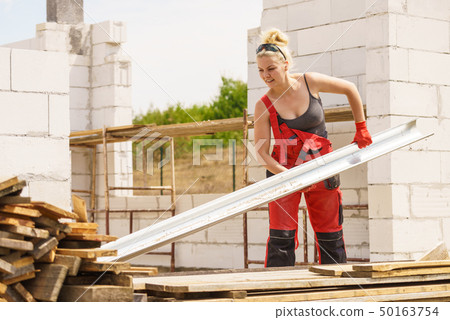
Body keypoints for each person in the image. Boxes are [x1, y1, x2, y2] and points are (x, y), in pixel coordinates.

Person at [253, 28, 372, 267]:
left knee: (330, 236)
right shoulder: (263, 105)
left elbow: (351, 89)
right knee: (281, 239)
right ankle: (276, 294)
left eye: (271, 69)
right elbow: (262, 153)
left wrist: (361, 127)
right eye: (260, 71)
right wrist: (291, 177)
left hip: (322, 168)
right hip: (283, 172)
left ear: (285, 65)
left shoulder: (310, 82)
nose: (266, 75)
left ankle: (336, 290)